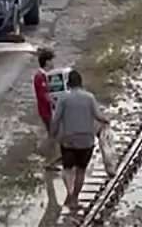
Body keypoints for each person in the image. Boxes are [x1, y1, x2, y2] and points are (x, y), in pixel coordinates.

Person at [50, 70, 110, 208]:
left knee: (67, 169)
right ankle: (75, 198)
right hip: (87, 141)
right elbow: (98, 116)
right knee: (81, 170)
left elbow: (56, 119)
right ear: (81, 83)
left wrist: (52, 135)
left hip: (68, 140)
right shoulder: (89, 97)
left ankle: (70, 193)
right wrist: (107, 121)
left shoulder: (63, 98)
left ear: (68, 84)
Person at [34, 48, 59, 171]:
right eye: (52, 60)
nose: (53, 63)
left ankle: (52, 159)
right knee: (52, 136)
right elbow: (45, 96)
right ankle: (49, 161)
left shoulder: (45, 76)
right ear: (47, 62)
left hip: (48, 110)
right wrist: (57, 104)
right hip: (46, 111)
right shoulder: (40, 77)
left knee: (53, 135)